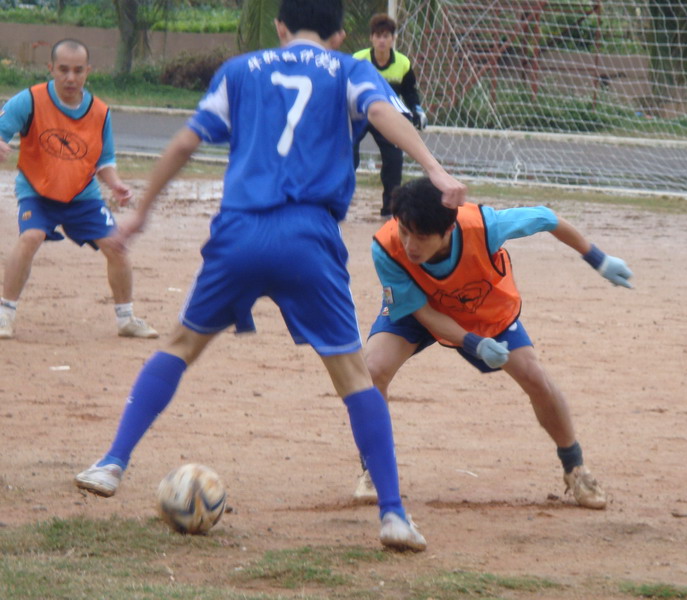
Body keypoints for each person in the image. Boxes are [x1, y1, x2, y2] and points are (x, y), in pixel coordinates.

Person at [74, 0, 466, 552]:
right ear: (340, 35)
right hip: (308, 237)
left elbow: (186, 141)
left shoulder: (240, 70)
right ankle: (394, 515)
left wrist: (140, 214)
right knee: (354, 376)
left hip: (239, 231)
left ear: (280, 26)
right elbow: (382, 114)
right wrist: (435, 168)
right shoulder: (348, 69)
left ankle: (112, 463)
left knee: (181, 345)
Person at [351, 177, 634, 510]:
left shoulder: (483, 227)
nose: (410, 245)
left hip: (482, 308)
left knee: (534, 376)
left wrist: (598, 259)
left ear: (448, 230)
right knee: (372, 370)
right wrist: (474, 344)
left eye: (422, 237)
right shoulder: (386, 246)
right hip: (419, 307)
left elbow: (547, 218)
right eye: (404, 231)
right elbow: (424, 313)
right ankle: (376, 468)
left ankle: (576, 468)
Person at [0, 39, 158, 340]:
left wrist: (116, 183)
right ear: (50, 69)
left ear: (88, 71)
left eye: (77, 70)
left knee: (116, 246)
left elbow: (104, 160)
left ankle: (126, 319)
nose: (70, 78)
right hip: (37, 191)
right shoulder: (29, 100)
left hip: (82, 196)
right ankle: (4, 314)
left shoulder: (100, 112)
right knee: (31, 237)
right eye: (63, 70)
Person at [353, 13, 427, 219]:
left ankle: (390, 210)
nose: (382, 41)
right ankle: (339, 201)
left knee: (394, 160)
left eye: (386, 36)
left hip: (387, 118)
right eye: (378, 36)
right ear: (371, 38)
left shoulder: (402, 63)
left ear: (393, 38)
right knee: (346, 156)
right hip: (359, 115)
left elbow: (409, 92)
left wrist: (417, 109)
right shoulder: (358, 60)